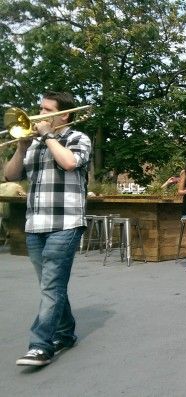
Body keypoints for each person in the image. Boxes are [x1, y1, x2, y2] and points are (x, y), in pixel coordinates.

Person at [4, 91, 92, 367]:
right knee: (50, 286)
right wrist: (21, 146)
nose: (38, 115)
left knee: (51, 286)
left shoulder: (78, 139)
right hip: (35, 224)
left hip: (65, 223)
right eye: (39, 109)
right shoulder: (34, 144)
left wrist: (49, 137)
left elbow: (68, 163)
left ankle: (40, 344)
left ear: (62, 115)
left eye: (45, 110)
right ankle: (65, 333)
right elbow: (10, 175)